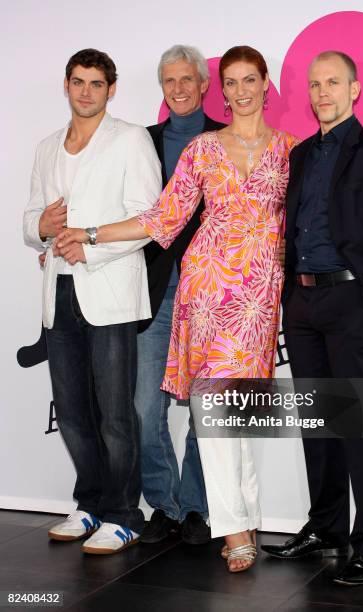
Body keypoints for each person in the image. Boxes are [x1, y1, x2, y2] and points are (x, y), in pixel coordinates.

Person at [55, 45, 299, 572]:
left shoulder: (290, 150)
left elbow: (306, 221)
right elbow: (158, 220)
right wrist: (91, 233)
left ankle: (244, 514)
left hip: (258, 299)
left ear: (264, 83)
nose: (240, 91)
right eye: (231, 82)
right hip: (206, 293)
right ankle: (233, 530)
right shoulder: (203, 150)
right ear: (224, 89)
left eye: (248, 80)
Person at [261, 51, 363, 585]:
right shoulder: (300, 155)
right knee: (318, 424)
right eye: (314, 84)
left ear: (354, 90)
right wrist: (287, 296)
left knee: (357, 426)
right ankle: (327, 528)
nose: (321, 92)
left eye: (333, 82)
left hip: (352, 302)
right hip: (302, 305)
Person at [23, 48, 162, 554]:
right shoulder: (45, 147)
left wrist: (92, 244)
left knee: (114, 412)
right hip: (58, 291)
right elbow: (30, 219)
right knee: (76, 412)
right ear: (66, 85)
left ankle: (125, 513)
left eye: (96, 83)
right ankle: (90, 504)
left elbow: (150, 219)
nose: (86, 91)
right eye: (78, 82)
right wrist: (42, 228)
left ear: (111, 89)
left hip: (107, 291)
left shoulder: (131, 140)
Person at [138, 45, 224, 546]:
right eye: (169, 80)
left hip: (211, 296)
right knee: (144, 408)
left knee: (203, 410)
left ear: (203, 83)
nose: (179, 88)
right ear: (162, 87)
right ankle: (163, 505)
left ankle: (195, 506)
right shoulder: (141, 143)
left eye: (187, 78)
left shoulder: (227, 139)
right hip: (151, 293)